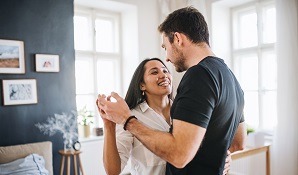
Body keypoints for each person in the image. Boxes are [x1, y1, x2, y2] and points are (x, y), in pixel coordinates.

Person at [97, 6, 246, 175]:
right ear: (141, 85)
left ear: (177, 38)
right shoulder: (231, 78)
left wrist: (127, 120)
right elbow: (237, 143)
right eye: (155, 71)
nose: (167, 57)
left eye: (165, 46)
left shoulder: (198, 75)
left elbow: (179, 155)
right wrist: (217, 158)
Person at [97, 58, 232, 175]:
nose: (163, 75)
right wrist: (108, 126)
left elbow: (203, 146)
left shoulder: (188, 111)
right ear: (142, 85)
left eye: (165, 70)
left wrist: (223, 158)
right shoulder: (129, 117)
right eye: (154, 72)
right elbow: (113, 171)